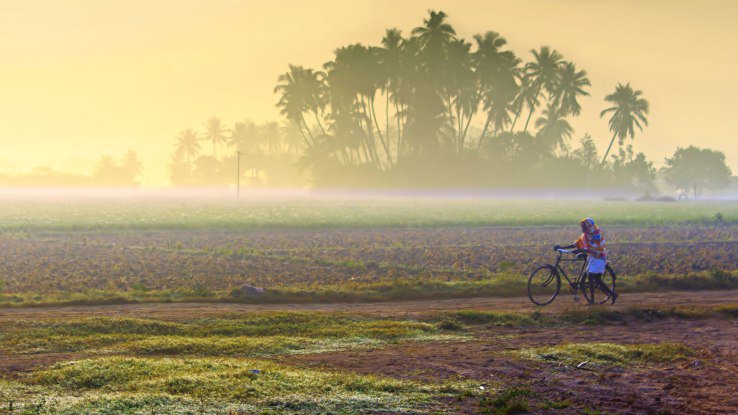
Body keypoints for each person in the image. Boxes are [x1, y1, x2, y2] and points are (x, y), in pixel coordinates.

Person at [555, 218, 618, 305]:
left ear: (589, 227)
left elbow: (589, 249)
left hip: (599, 258)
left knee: (592, 277)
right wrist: (562, 247)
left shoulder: (596, 236)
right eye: (582, 227)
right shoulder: (585, 235)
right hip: (593, 258)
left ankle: (593, 300)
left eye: (584, 227)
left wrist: (579, 250)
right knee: (596, 279)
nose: (583, 229)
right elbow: (576, 244)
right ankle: (612, 294)